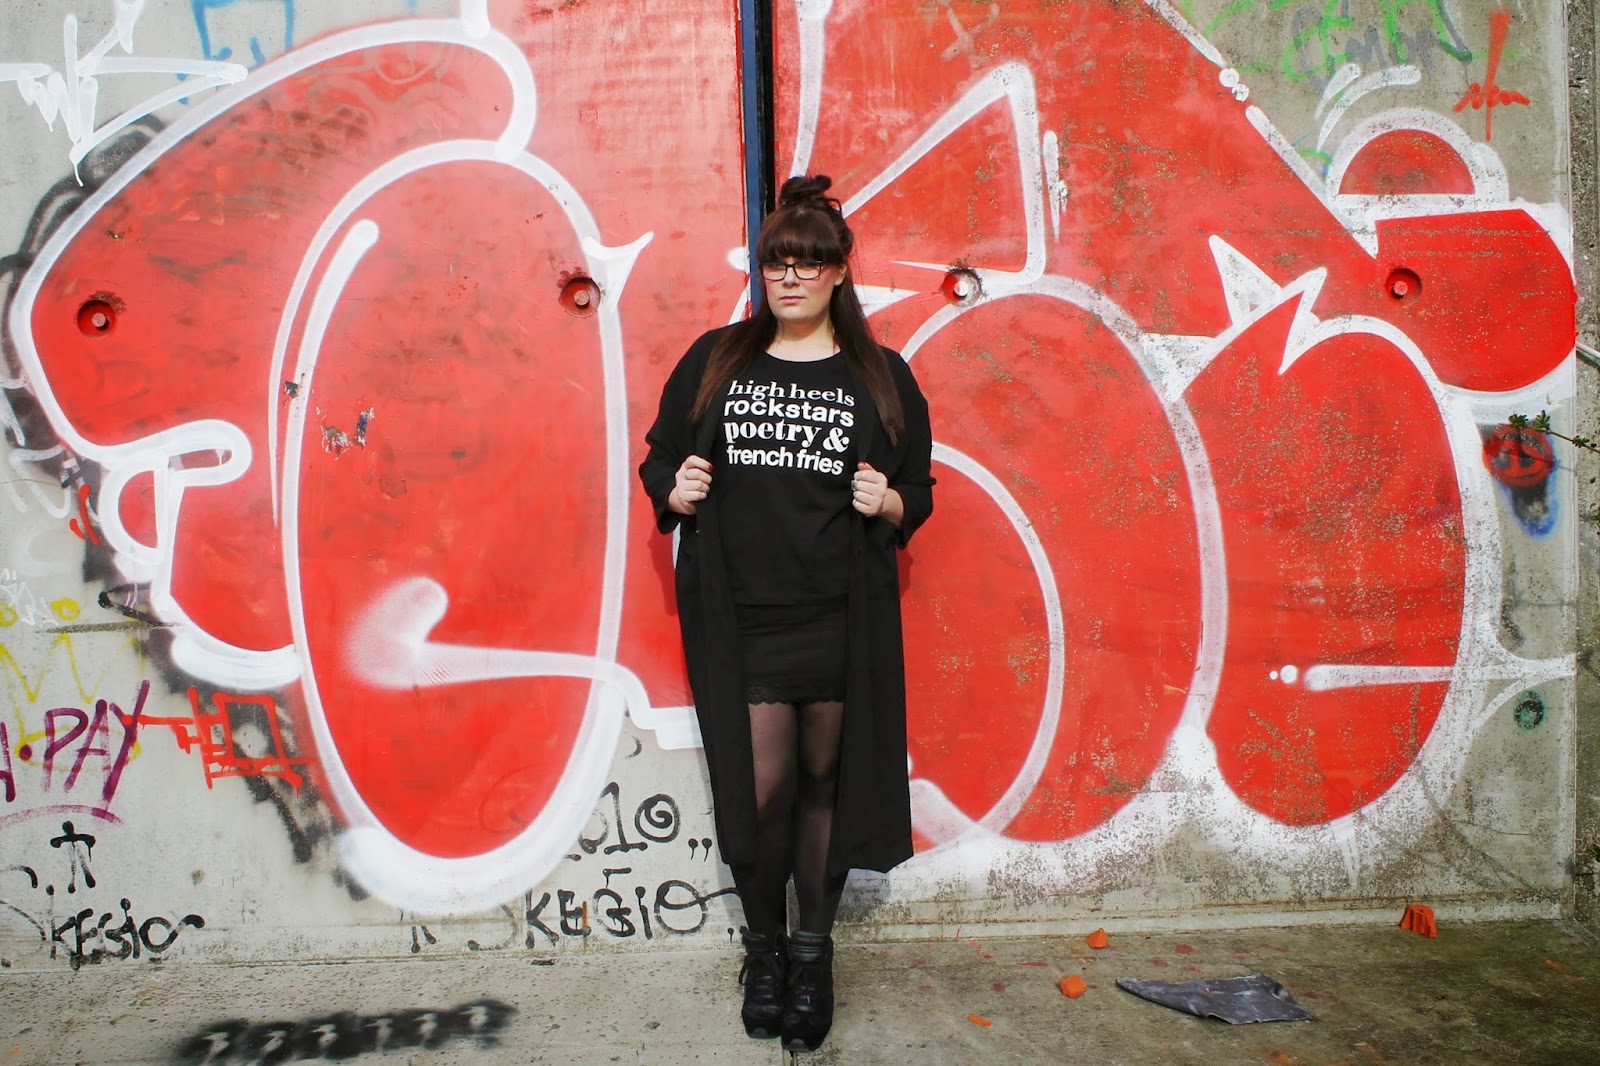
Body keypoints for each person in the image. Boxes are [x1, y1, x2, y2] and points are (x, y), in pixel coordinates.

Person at [638, 174, 934, 1052]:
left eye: (809, 263)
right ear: (763, 273)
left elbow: (918, 489)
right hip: (746, 618)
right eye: (777, 263)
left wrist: (888, 501)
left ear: (840, 272)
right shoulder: (717, 360)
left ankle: (813, 957)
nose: (791, 278)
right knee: (762, 796)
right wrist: (676, 489)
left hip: (839, 617)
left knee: (823, 791)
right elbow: (660, 458)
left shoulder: (881, 376)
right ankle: (762, 951)